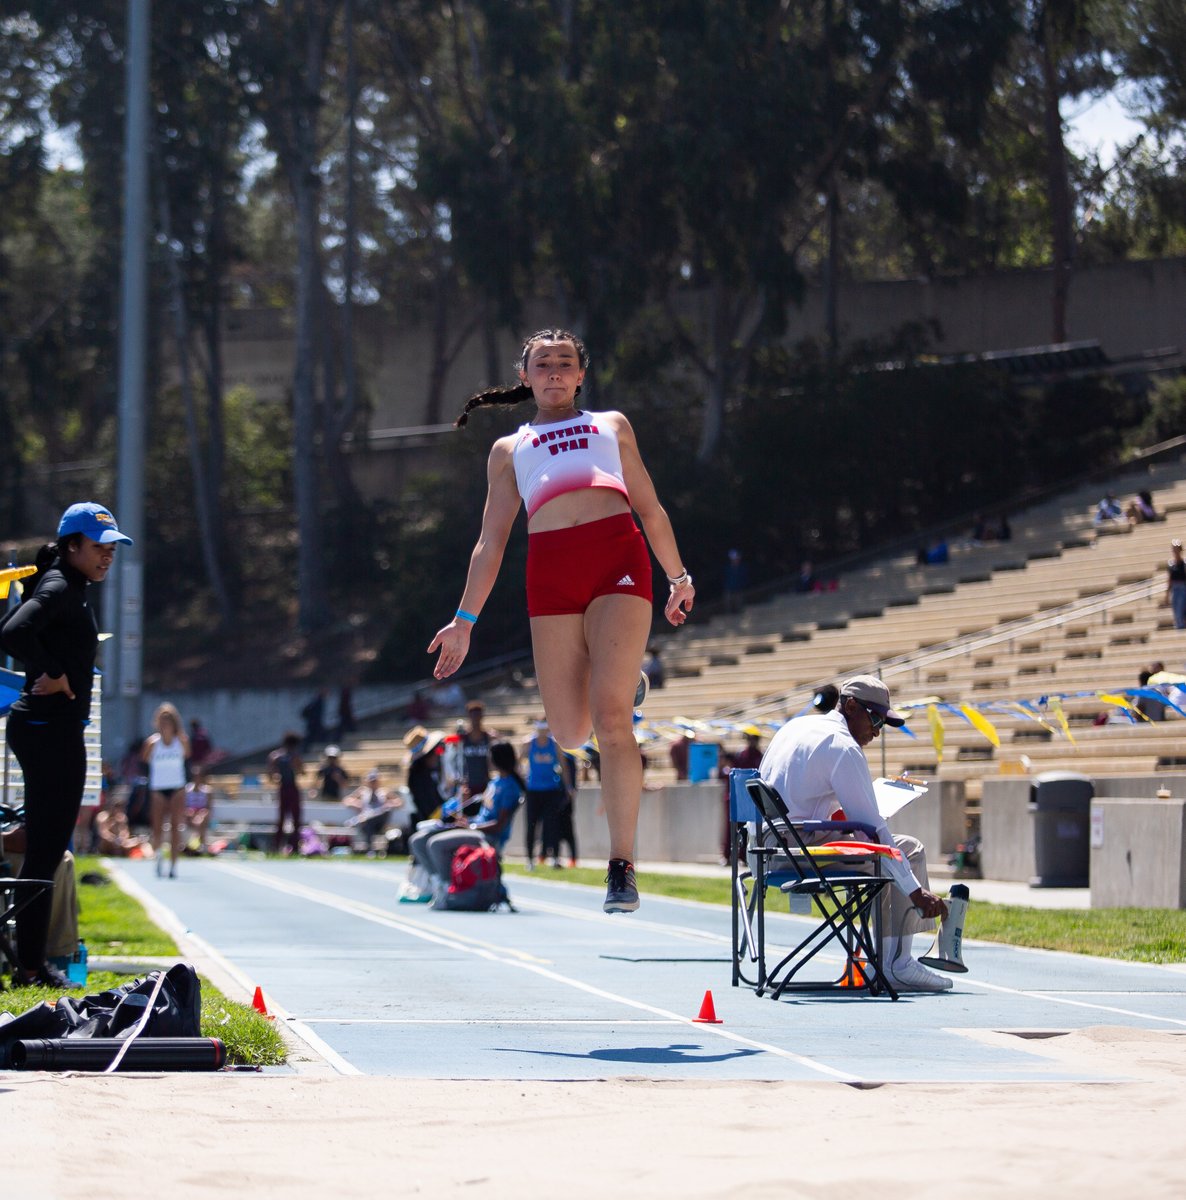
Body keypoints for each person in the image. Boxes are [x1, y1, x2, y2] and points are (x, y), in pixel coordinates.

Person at [427, 328, 695, 913]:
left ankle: (622, 866)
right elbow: (490, 542)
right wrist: (463, 621)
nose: (554, 371)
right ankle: (625, 677)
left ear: (580, 375)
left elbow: (649, 507)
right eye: (542, 363)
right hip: (551, 575)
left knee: (612, 720)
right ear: (525, 376)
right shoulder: (509, 448)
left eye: (565, 363)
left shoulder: (612, 425)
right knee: (571, 733)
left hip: (615, 560)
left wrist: (677, 577)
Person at [0, 500, 131, 986]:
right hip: (45, 731)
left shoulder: (72, 585)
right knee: (44, 854)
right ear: (72, 545)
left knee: (47, 852)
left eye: (112, 550)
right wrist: (52, 673)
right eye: (98, 548)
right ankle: (30, 969)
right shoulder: (59, 585)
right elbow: (12, 631)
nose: (107, 557)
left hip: (53, 730)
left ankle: (32, 965)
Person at [757, 675, 952, 993]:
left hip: (763, 851)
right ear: (849, 706)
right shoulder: (842, 746)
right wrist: (915, 891)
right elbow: (874, 831)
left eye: (883, 724)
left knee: (884, 852)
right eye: (874, 718)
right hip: (799, 854)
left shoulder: (796, 727)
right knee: (903, 850)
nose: (876, 730)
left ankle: (891, 960)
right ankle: (896, 964)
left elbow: (801, 801)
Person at [408, 741, 526, 887]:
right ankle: (436, 881)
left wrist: (471, 827)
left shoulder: (510, 787)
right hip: (475, 829)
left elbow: (499, 826)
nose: (487, 759)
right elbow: (483, 815)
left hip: (486, 836)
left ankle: (447, 886)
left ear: (496, 758)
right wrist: (467, 820)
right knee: (418, 840)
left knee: (435, 844)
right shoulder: (494, 782)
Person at [141, 702, 191, 879]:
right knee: (158, 826)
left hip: (177, 787)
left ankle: (174, 864)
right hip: (158, 787)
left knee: (176, 825)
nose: (165, 725)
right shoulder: (152, 743)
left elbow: (187, 757)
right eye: (162, 721)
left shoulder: (181, 741)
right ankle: (159, 857)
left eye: (168, 721)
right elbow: (144, 761)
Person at [522, 720, 568, 868]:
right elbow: (518, 762)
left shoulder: (554, 745)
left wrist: (568, 786)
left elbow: (564, 766)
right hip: (533, 790)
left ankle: (554, 857)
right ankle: (530, 859)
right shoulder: (528, 743)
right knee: (531, 825)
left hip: (550, 790)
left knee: (552, 825)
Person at [722, 726, 763, 865]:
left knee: (749, 829)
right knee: (731, 829)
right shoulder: (740, 755)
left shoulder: (760, 757)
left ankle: (744, 856)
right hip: (737, 797)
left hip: (751, 798)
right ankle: (727, 856)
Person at [344, 769, 401, 853]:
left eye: (375, 781)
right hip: (367, 822)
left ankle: (370, 849)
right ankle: (370, 848)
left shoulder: (384, 791)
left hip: (380, 822)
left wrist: (389, 804)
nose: (373, 783)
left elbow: (399, 802)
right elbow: (347, 800)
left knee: (374, 817)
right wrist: (357, 804)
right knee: (368, 824)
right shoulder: (363, 791)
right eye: (371, 781)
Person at [267, 732, 305, 855]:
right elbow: (302, 772)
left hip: (283, 788)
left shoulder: (275, 756)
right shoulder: (294, 756)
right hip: (292, 788)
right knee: (295, 819)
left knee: (281, 819)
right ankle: (294, 847)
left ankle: (276, 846)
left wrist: (276, 777)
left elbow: (270, 775)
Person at [404, 726, 446, 824]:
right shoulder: (419, 779)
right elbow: (432, 813)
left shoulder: (428, 773)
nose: (438, 755)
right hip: (430, 823)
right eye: (434, 752)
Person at [460, 700, 493, 798]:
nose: (475, 718)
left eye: (478, 715)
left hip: (485, 784)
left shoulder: (488, 737)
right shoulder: (463, 738)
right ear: (469, 716)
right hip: (468, 786)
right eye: (473, 715)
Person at [183, 765, 214, 852]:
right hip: (189, 814)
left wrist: (201, 813)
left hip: (201, 814)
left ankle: (198, 844)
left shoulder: (207, 790)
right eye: (195, 776)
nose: (197, 778)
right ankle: (197, 844)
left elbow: (208, 807)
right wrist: (189, 812)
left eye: (199, 776)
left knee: (199, 820)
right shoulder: (187, 789)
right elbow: (183, 806)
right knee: (194, 819)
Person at [1166, 539, 1186, 630]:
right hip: (1175, 590)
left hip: (1183, 589)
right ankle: (1179, 626)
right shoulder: (1171, 565)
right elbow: (1169, 580)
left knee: (1182, 608)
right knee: (1176, 610)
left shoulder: (1184, 564)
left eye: (1177, 549)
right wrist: (1167, 594)